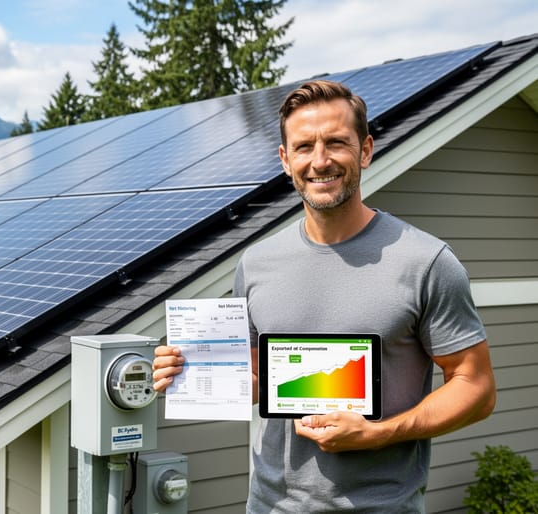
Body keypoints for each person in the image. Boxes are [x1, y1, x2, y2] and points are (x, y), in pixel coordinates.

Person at [151, 80, 496, 512]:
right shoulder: (256, 263)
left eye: (336, 142)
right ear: (285, 159)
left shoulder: (426, 261)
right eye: (303, 146)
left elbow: (476, 386)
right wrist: (186, 372)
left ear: (366, 150)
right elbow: (259, 378)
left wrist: (378, 432)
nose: (320, 161)